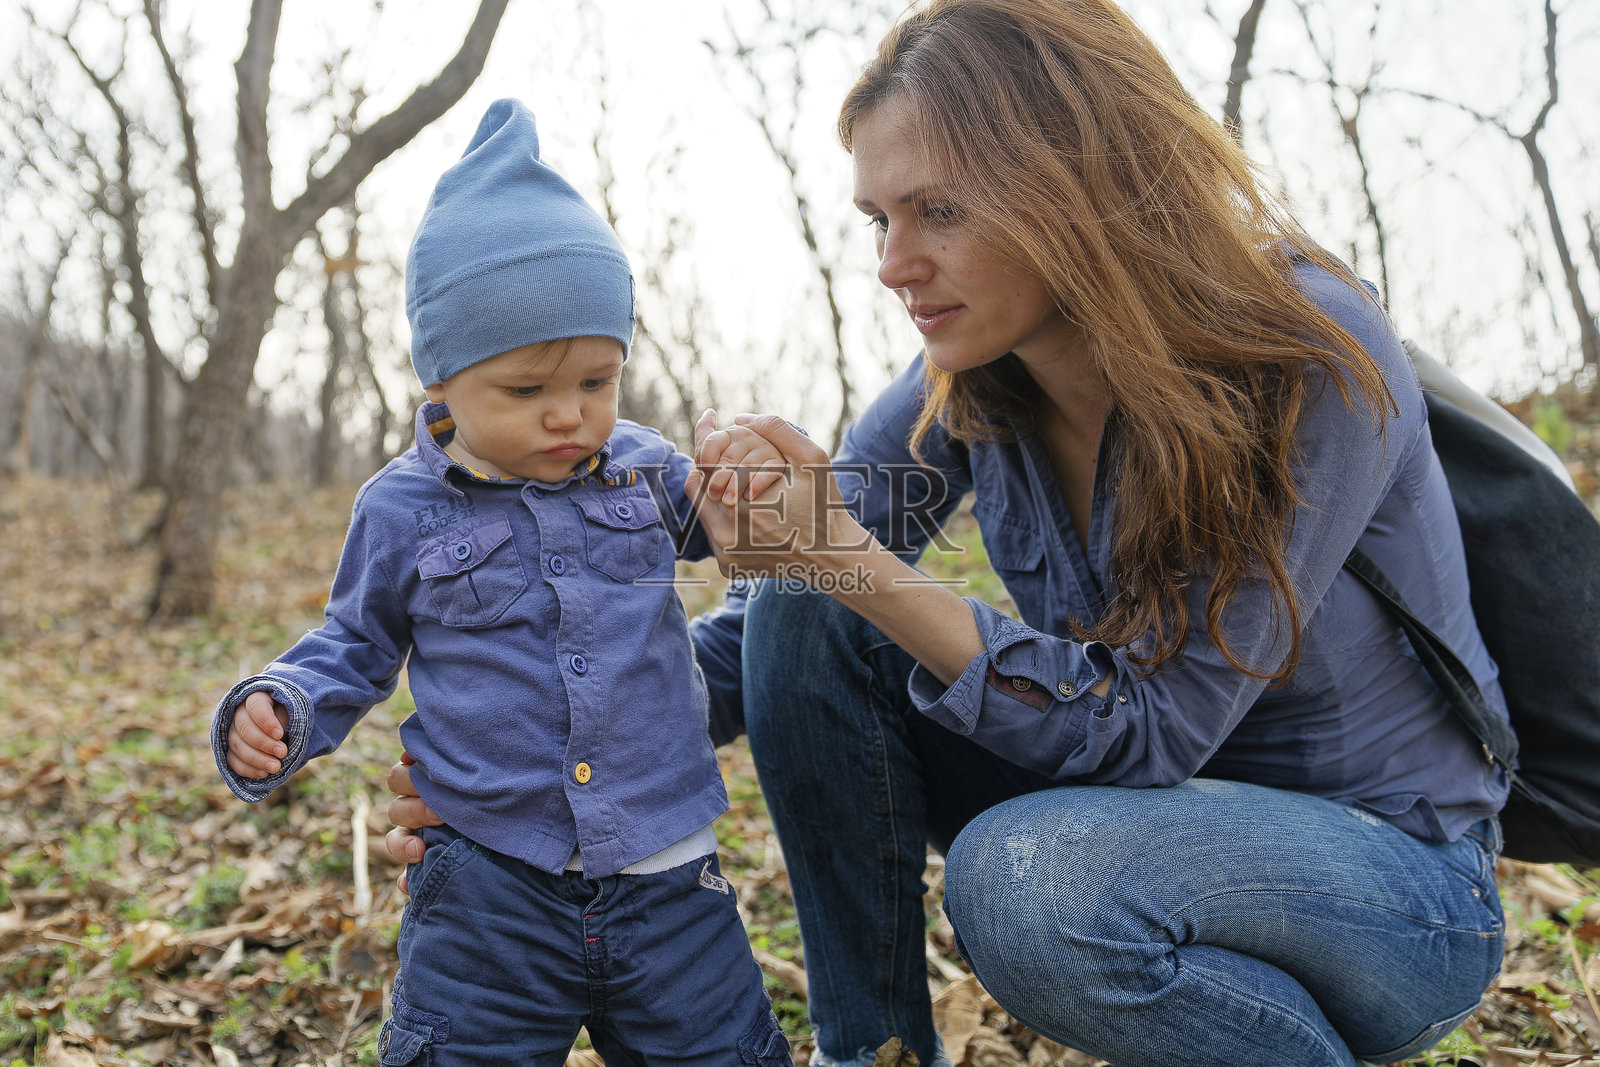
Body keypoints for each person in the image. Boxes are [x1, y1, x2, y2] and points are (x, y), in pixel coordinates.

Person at [386, 3, 1510, 1065]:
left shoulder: (1303, 350)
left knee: (1027, 881)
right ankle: (866, 1046)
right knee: (800, 608)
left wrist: (843, 556)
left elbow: (1153, 726)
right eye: (881, 220)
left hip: (1392, 883)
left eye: (941, 211)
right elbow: (774, 643)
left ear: (1077, 179)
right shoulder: (969, 381)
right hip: (1131, 832)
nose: (892, 264)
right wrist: (518, 757)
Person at [211, 98, 792, 1066]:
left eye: (597, 382)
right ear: (443, 381)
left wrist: (758, 497)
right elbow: (354, 642)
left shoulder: (645, 469)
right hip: (487, 881)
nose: (570, 415)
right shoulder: (399, 510)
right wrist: (282, 701)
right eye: (527, 390)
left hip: (666, 869)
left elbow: (760, 554)